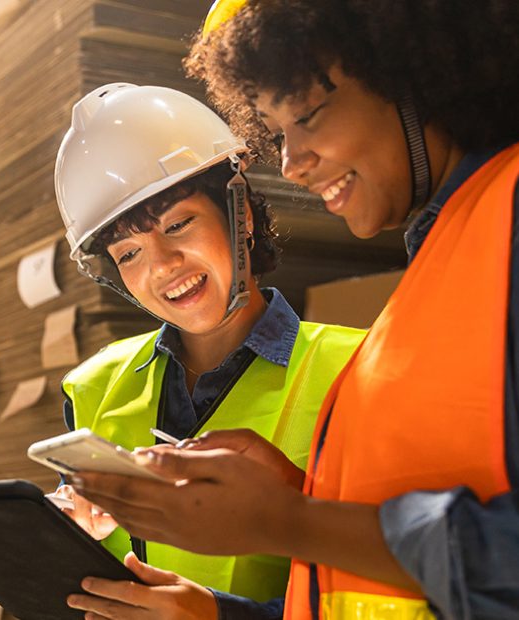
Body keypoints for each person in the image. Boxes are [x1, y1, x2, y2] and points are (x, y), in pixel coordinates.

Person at [69, 1, 519, 618]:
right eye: (277, 133)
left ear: (408, 69)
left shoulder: (502, 225)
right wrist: (301, 498)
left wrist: (290, 520)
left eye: (306, 115)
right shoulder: (443, 265)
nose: (290, 163)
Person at [52, 82, 364, 616]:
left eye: (178, 224)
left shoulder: (357, 369)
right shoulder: (92, 387)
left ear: (240, 214)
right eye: (128, 254)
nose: (162, 265)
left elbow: (386, 587)